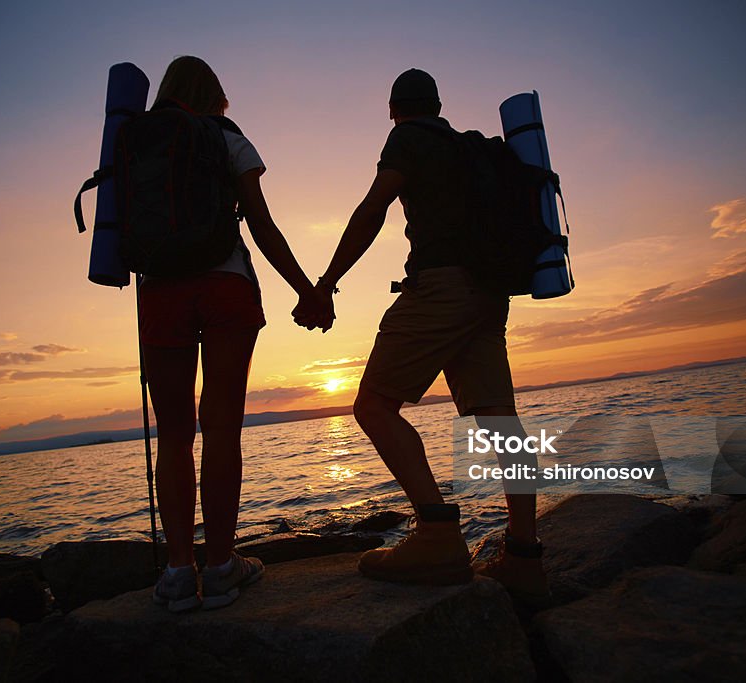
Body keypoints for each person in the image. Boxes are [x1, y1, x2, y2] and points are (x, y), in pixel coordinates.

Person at [295, 68, 549, 602]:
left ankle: (436, 535)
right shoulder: (468, 148)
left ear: (395, 110)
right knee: (499, 416)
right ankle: (524, 555)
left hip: (440, 287)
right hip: (488, 291)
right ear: (438, 104)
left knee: (373, 406)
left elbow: (374, 208)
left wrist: (327, 282)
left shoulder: (406, 138)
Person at [143, 56, 332, 612]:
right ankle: (222, 566)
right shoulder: (226, 137)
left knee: (175, 433)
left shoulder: (141, 141)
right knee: (221, 426)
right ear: (216, 95)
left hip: (160, 292)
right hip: (226, 287)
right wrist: (307, 290)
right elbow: (262, 224)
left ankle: (179, 573)